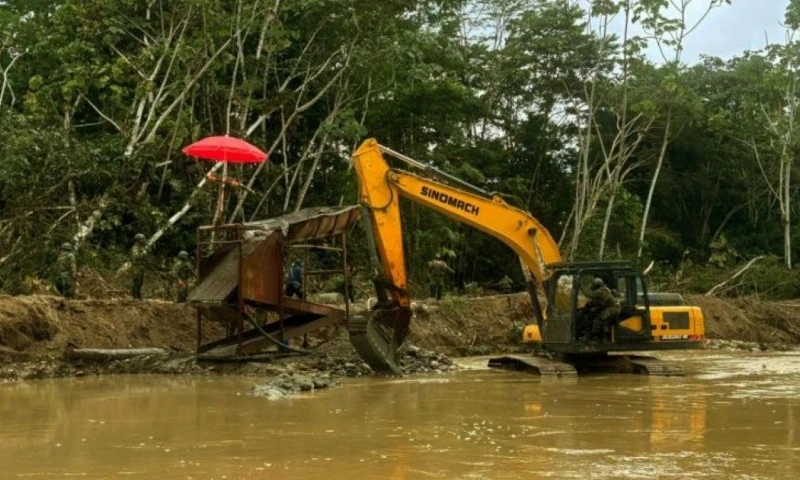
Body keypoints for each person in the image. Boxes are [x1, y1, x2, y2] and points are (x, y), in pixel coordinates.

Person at [582, 277, 621, 342]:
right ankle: (598, 336)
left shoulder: (601, 291)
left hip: (613, 308)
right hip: (609, 307)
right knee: (593, 315)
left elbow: (588, 294)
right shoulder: (602, 290)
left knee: (598, 319)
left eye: (593, 285)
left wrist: (584, 286)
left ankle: (595, 336)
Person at [131, 233, 147, 300]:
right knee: (136, 282)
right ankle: (135, 297)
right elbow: (136, 257)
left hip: (141, 267)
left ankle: (139, 296)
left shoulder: (141, 248)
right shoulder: (135, 248)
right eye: (141, 239)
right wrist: (143, 253)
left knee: (140, 282)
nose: (143, 241)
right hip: (136, 267)